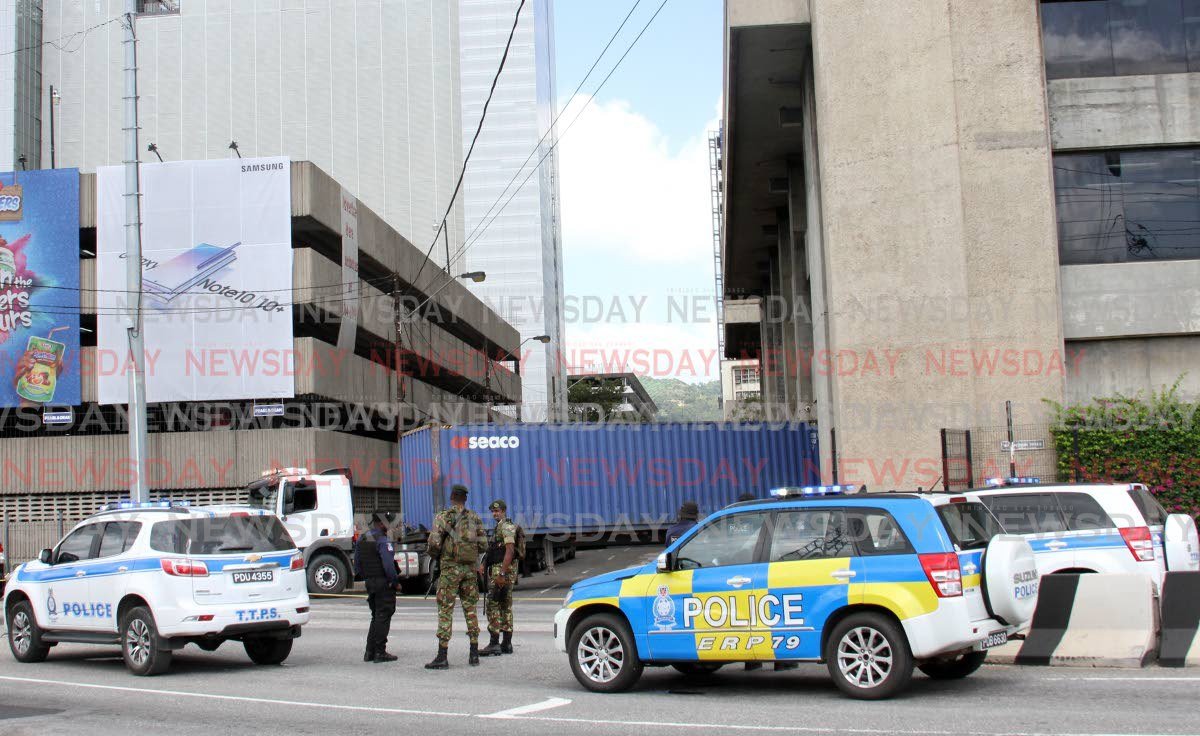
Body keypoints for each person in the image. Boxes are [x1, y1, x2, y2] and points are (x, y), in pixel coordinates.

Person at [424, 485, 487, 669]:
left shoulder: (443, 516)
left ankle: (442, 656)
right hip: (469, 570)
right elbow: (483, 545)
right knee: (470, 609)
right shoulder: (474, 517)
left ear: (452, 496)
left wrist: (440, 554)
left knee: (445, 610)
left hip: (450, 570)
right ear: (465, 499)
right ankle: (474, 654)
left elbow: (434, 544)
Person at [353, 511, 399, 663]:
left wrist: (367, 577)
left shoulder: (362, 538)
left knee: (376, 616)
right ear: (381, 523)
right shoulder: (383, 540)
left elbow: (357, 565)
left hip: (370, 582)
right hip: (382, 583)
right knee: (383, 616)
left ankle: (369, 651)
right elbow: (388, 565)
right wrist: (394, 581)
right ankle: (380, 652)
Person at [479, 499, 518, 657]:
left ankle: (494, 643)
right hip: (502, 570)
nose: (495, 514)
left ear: (503, 511)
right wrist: (484, 563)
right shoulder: (499, 526)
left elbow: (509, 551)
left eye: (497, 511)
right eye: (493, 511)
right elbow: (494, 548)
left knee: (493, 604)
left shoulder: (507, 526)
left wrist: (502, 573)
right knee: (505, 605)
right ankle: (506, 643)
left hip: (502, 571)